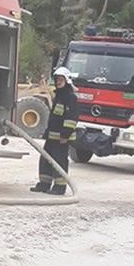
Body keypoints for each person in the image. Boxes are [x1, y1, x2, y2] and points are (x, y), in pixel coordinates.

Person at [31, 67, 79, 195]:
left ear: (67, 80)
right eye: (57, 79)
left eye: (61, 79)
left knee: (59, 161)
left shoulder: (70, 97)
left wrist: (65, 134)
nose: (58, 81)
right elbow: (54, 117)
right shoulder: (59, 96)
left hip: (62, 138)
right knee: (45, 160)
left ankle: (60, 187)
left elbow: (71, 118)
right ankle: (44, 184)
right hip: (52, 137)